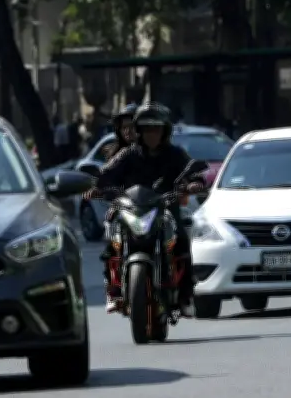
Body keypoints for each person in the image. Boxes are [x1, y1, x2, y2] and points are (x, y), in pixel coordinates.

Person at [87, 102, 206, 316]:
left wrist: (194, 182)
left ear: (164, 131)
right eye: (147, 129)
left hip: (165, 209)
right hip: (132, 210)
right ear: (139, 131)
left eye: (156, 129)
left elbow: (191, 170)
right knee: (113, 241)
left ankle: (186, 294)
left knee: (181, 239)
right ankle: (114, 292)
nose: (152, 134)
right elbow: (106, 174)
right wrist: (96, 187)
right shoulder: (128, 155)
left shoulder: (175, 154)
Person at [94, 102, 138, 312]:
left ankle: (182, 289)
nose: (129, 131)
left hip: (153, 208)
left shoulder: (156, 152)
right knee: (113, 244)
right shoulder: (115, 155)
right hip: (123, 209)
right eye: (124, 127)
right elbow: (103, 180)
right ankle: (113, 291)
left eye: (133, 126)